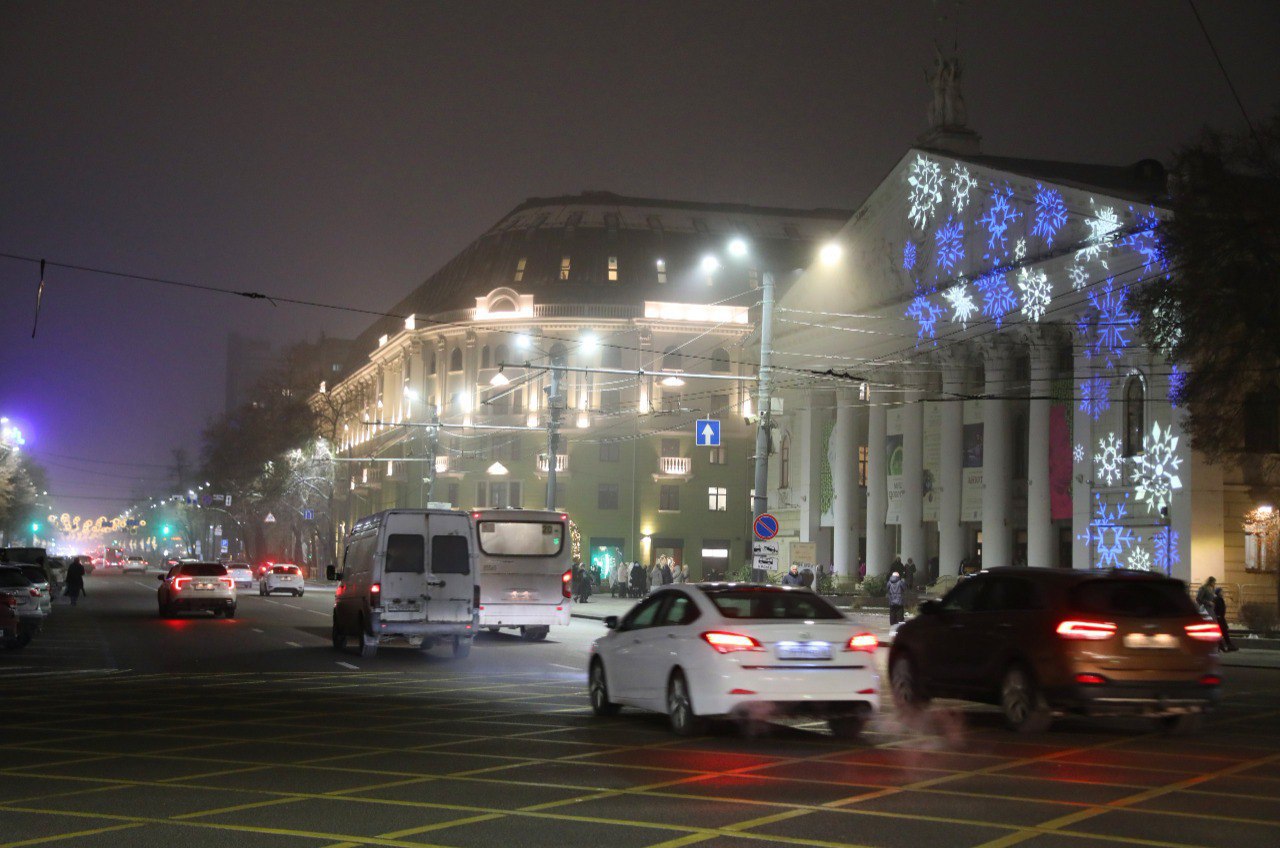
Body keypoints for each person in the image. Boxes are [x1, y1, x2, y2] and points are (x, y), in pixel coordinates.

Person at [1213, 587, 1236, 652]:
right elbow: (1216, 609)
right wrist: (1218, 616)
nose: (1223, 593)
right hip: (1219, 618)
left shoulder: (1220, 599)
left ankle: (1224, 646)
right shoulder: (1217, 599)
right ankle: (1223, 646)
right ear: (1218, 592)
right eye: (1221, 591)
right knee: (1222, 632)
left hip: (1221, 618)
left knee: (1224, 632)